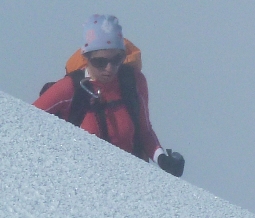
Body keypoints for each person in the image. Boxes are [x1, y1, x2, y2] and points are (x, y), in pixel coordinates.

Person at [33, 14, 185, 176]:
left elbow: (144, 131)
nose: (109, 68)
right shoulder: (69, 88)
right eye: (100, 62)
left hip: (130, 182)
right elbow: (26, 122)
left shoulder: (133, 83)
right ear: (86, 57)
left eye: (117, 59)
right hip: (79, 181)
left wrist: (162, 159)